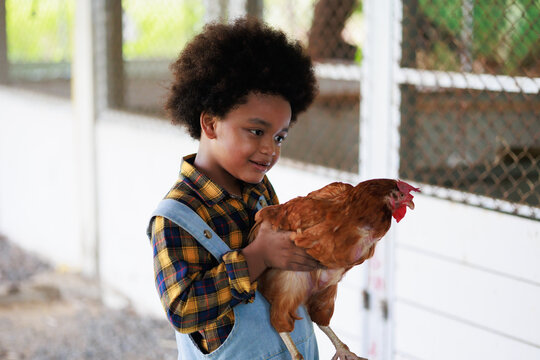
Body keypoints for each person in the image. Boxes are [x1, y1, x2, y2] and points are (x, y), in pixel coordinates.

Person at [147, 17, 320, 359]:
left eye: (280, 136)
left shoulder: (261, 192)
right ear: (210, 123)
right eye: (256, 131)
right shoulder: (175, 218)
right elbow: (183, 310)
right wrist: (258, 257)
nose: (271, 149)